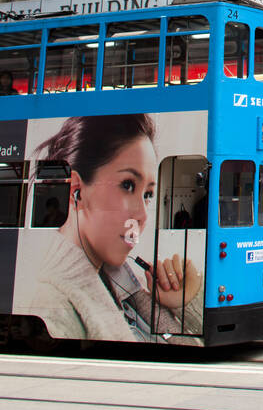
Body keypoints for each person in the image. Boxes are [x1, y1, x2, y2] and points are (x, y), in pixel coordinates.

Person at [26, 114, 203, 341]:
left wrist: (181, 303)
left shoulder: (125, 284)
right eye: (128, 185)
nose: (142, 215)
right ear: (76, 190)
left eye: (148, 194)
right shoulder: (52, 303)